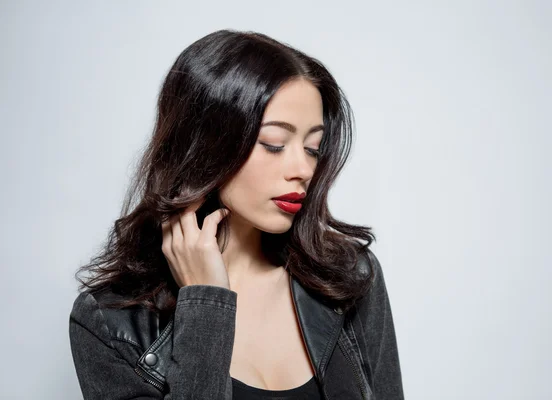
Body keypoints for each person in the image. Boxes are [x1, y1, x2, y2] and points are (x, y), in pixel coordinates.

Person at [69, 29, 404, 400]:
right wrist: (205, 303)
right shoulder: (111, 322)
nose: (304, 169)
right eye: (274, 144)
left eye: (312, 147)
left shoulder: (349, 278)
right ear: (205, 146)